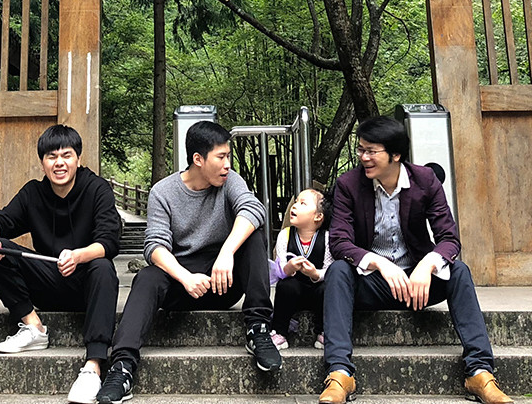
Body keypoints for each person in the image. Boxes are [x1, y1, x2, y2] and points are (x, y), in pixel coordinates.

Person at [320, 116, 511, 404]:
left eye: (371, 151)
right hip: (372, 284)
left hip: (416, 284)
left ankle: (479, 373)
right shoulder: (348, 184)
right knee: (338, 271)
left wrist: (427, 264)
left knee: (459, 271)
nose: (363, 157)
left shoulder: (425, 180)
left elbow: (449, 238)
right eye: (360, 150)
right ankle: (339, 374)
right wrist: (379, 263)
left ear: (395, 154)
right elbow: (339, 242)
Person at [96, 120, 281, 404]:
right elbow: (154, 246)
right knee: (146, 276)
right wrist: (185, 277)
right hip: (181, 284)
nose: (227, 164)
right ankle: (122, 367)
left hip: (223, 282)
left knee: (252, 237)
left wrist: (226, 252)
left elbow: (253, 208)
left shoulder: (231, 181)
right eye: (221, 157)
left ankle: (258, 329)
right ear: (198, 159)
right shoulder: (163, 192)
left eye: (229, 156)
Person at [0, 123, 122, 404]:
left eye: (66, 155)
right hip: (48, 281)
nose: (59, 163)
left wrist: (78, 256)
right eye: (51, 157)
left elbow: (109, 242)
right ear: (42, 162)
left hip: (87, 285)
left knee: (104, 267)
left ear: (78, 158)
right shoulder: (33, 193)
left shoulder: (97, 189)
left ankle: (94, 366)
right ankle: (34, 328)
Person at [268, 187, 332, 349]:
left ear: (318, 216)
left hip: (316, 289)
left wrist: (315, 273)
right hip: (294, 290)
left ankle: (324, 332)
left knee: (327, 288)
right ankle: (279, 332)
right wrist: (289, 268)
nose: (294, 206)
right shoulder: (285, 235)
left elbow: (330, 269)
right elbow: (279, 269)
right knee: (285, 286)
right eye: (295, 202)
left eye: (303, 203)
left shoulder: (326, 238)